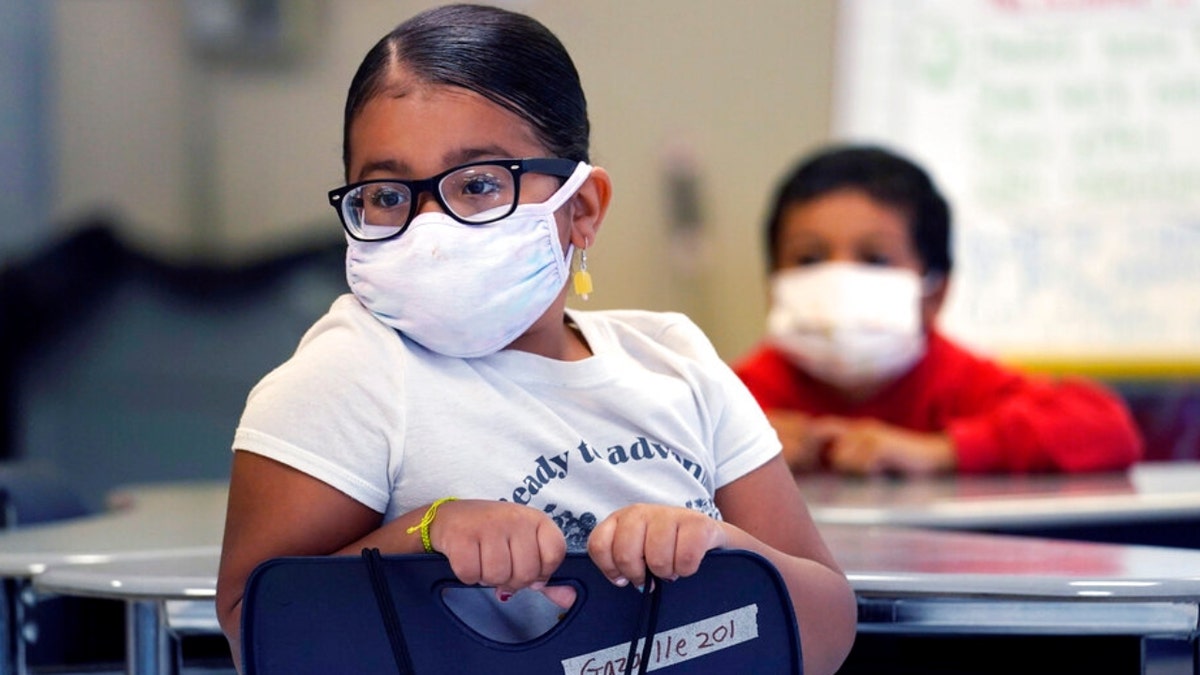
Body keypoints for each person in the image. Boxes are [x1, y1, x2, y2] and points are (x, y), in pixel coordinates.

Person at [214, 5, 856, 674]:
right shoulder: (346, 376)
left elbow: (830, 625)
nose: (431, 227)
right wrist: (423, 533)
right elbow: (257, 630)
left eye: (481, 184)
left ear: (581, 210)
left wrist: (721, 548)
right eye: (387, 194)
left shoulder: (678, 361)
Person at [734, 144, 1144, 476]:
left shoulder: (958, 381)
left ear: (935, 292)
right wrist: (737, 452)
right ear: (773, 283)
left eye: (875, 259)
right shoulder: (736, 398)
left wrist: (940, 450)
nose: (838, 279)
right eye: (809, 259)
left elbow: (1108, 429)